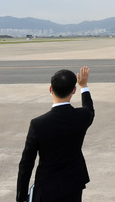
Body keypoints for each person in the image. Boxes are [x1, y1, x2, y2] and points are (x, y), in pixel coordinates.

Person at [16, 66, 94, 202]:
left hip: (47, 187)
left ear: (50, 89)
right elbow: (89, 108)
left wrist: (21, 196)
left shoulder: (38, 124)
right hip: (73, 183)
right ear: (73, 90)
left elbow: (26, 163)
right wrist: (84, 86)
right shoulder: (82, 116)